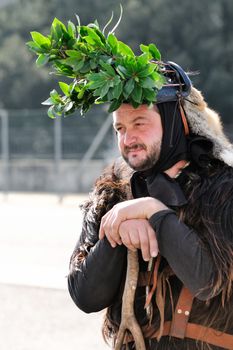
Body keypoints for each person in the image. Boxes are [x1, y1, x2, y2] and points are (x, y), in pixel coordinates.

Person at [67, 61, 233, 349]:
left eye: (139, 123)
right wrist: (117, 230)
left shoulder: (223, 187)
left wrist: (153, 212)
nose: (128, 139)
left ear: (174, 121)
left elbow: (207, 282)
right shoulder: (112, 192)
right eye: (120, 127)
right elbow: (85, 295)